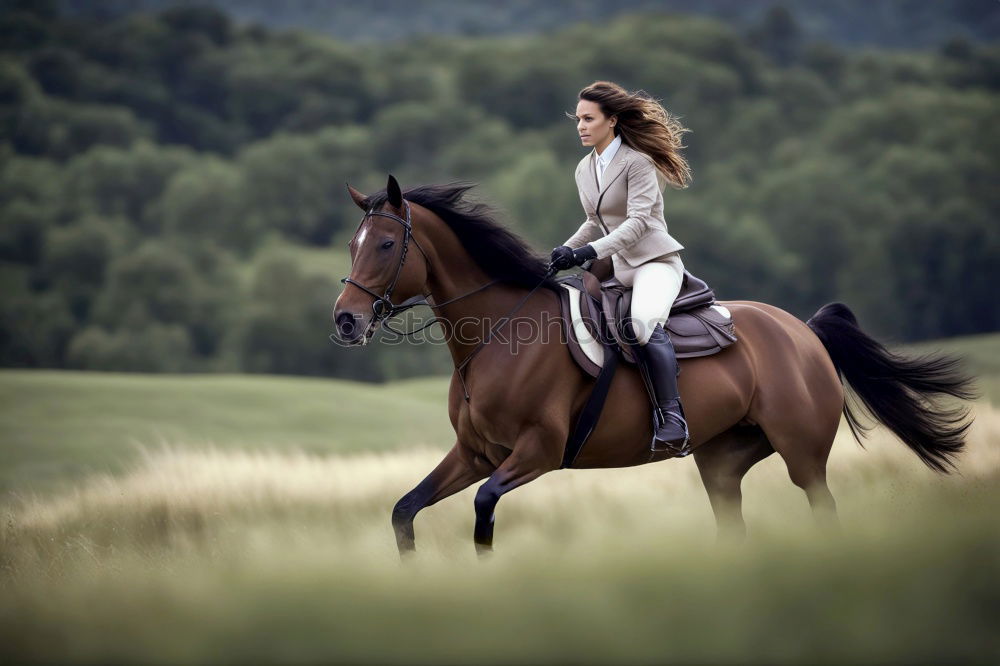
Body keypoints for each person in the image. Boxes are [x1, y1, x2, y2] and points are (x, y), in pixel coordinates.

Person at [550, 80, 693, 455]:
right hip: (616, 267)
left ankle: (673, 419)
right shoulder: (585, 168)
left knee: (643, 325)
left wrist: (588, 252)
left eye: (589, 119)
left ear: (611, 120)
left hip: (654, 262)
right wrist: (566, 248)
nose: (581, 126)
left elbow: (639, 223)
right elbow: (594, 220)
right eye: (578, 119)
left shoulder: (638, 162)